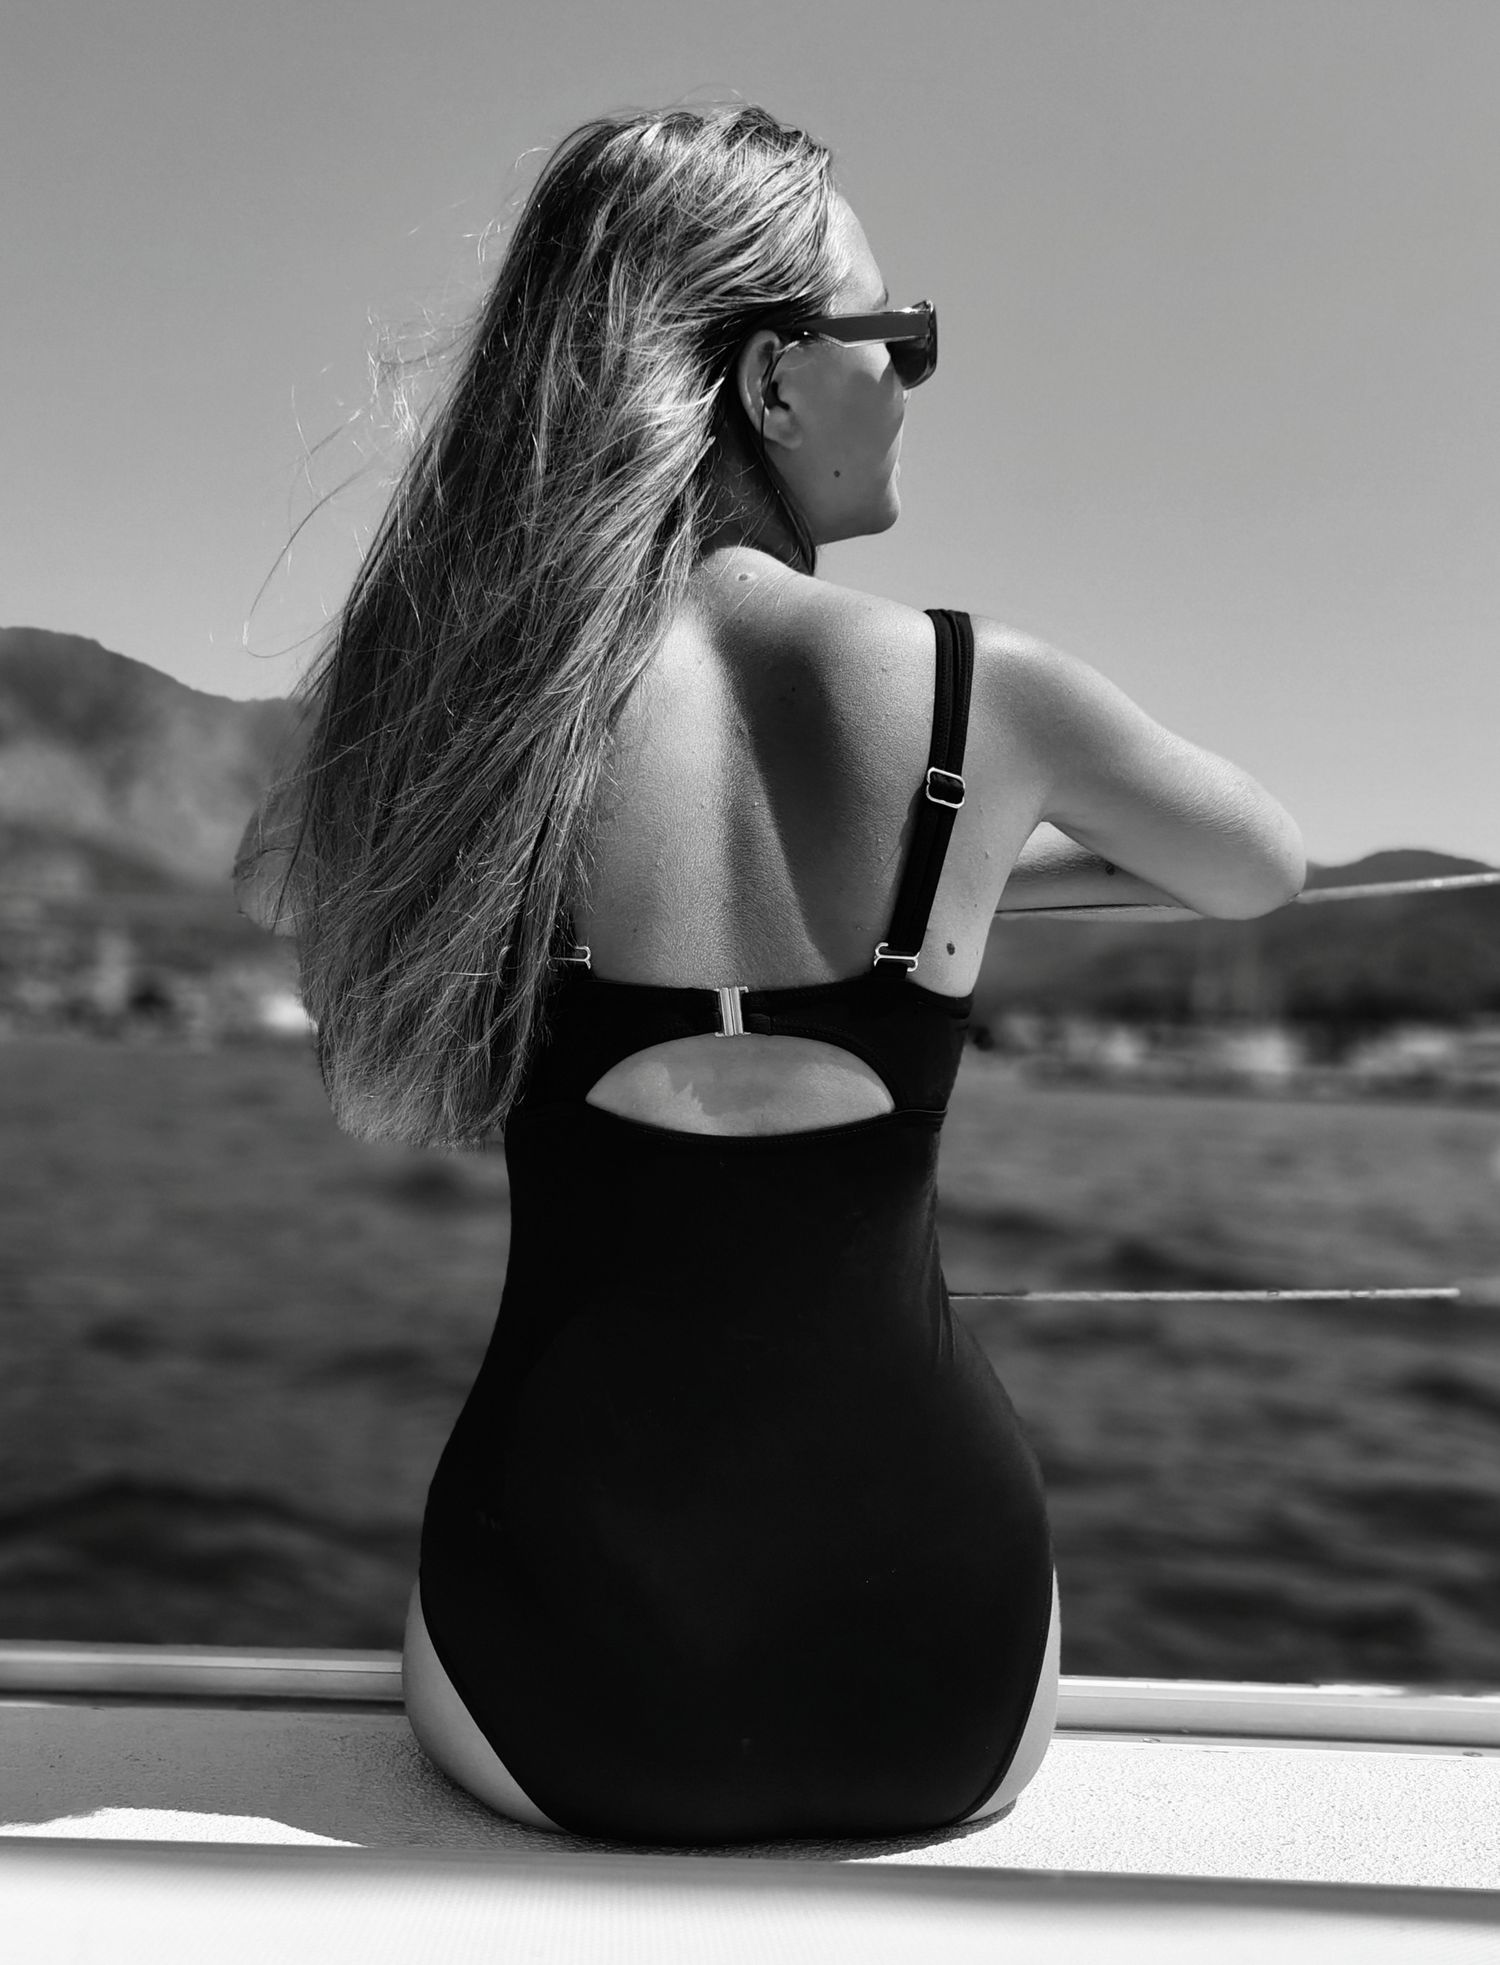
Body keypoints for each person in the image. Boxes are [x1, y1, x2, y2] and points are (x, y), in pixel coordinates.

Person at [234, 105, 1304, 1845]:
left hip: (552, 1687)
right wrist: (960, 877)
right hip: (943, 1692)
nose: (916, 378)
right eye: (902, 337)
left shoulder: (477, 727)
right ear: (774, 383)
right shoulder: (984, 692)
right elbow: (1256, 867)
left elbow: (299, 891)